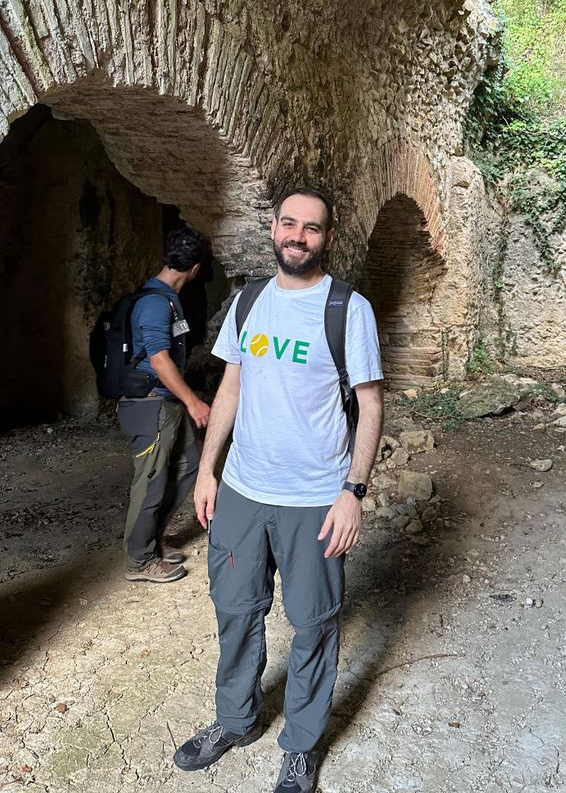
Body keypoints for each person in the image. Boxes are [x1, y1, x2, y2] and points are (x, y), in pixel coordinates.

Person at [173, 189, 384, 793]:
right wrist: (209, 468)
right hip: (242, 488)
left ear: (326, 238)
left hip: (316, 497)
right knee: (235, 612)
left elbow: (369, 405)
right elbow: (232, 388)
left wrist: (354, 491)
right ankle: (235, 720)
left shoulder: (349, 309)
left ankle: (300, 744)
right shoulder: (249, 302)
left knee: (313, 622)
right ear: (273, 229)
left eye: (311, 229)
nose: (298, 236)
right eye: (288, 224)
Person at [118, 225, 212, 583]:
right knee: (151, 480)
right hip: (150, 404)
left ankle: (151, 538)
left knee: (190, 462)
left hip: (165, 401)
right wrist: (193, 401)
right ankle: (140, 561)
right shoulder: (155, 303)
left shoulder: (165, 299)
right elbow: (159, 359)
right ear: (196, 270)